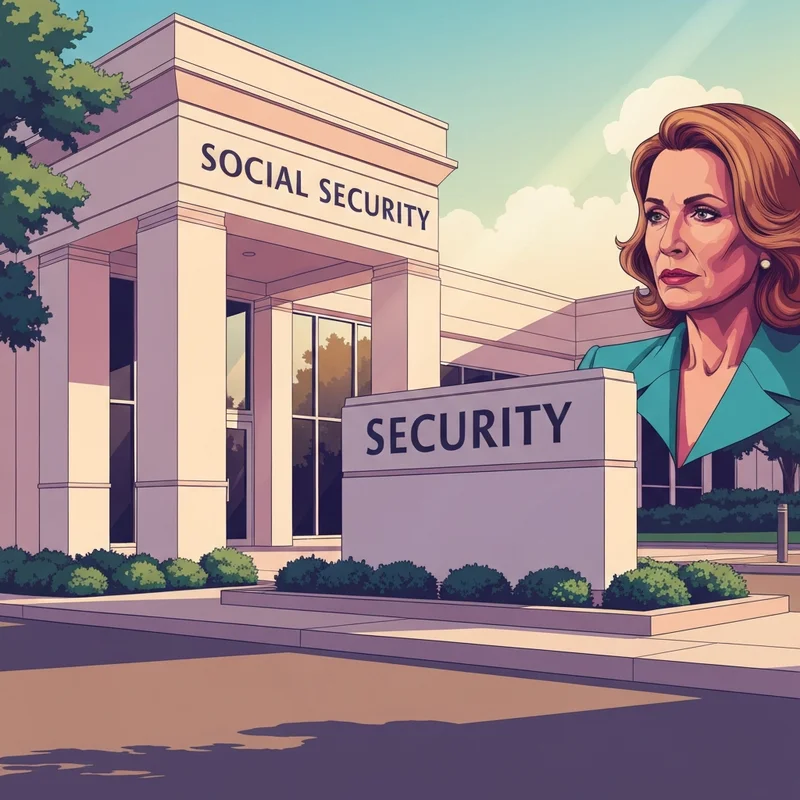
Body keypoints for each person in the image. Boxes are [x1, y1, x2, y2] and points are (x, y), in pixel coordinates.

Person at [578, 103, 800, 469]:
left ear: (768, 230)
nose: (669, 242)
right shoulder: (604, 371)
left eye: (703, 213)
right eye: (656, 215)